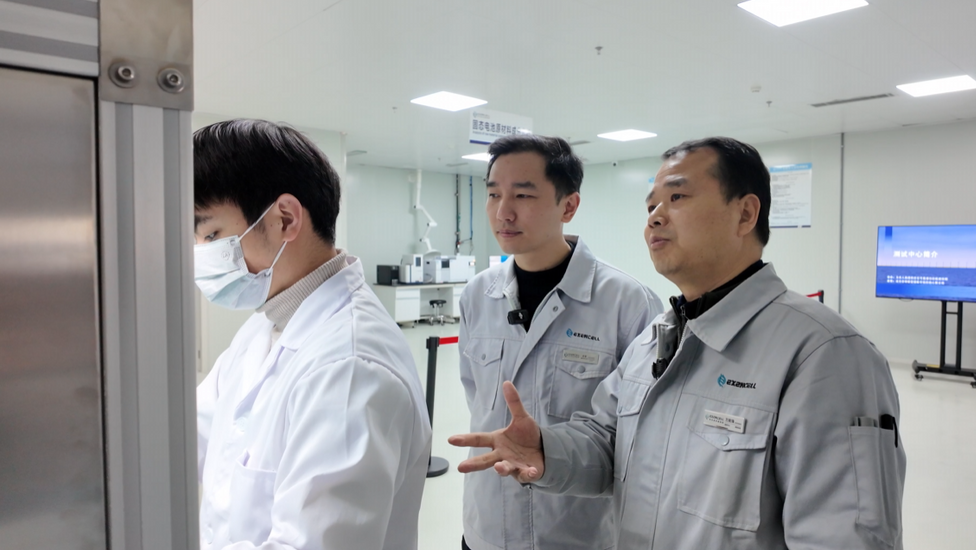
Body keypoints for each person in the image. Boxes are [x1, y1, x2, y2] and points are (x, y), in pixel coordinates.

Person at [451, 137, 907, 549]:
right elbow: (607, 442)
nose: (655, 216)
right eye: (651, 204)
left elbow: (844, 535)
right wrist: (547, 450)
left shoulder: (823, 354)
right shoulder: (656, 342)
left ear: (745, 214)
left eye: (678, 197)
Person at [193, 119, 431, 550]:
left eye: (211, 234)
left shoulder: (351, 368)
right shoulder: (265, 325)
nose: (201, 255)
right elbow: (188, 435)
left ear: (285, 218)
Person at [458, 133, 663, 550]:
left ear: (568, 206)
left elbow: (640, 439)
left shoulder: (627, 303)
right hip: (486, 531)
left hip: (576, 536)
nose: (503, 212)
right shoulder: (478, 295)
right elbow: (476, 397)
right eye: (494, 194)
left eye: (523, 195)